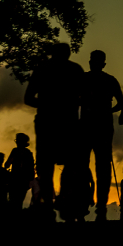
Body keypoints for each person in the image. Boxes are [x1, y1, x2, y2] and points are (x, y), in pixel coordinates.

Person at [24, 42, 85, 207]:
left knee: (46, 165)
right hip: (67, 123)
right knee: (69, 163)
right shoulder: (76, 70)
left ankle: (49, 204)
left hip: (48, 122)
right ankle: (62, 198)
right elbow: (85, 98)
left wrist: (45, 105)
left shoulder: (42, 68)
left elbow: (28, 98)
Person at [80, 50, 123, 222]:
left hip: (89, 127)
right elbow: (121, 104)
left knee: (88, 168)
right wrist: (107, 110)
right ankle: (99, 207)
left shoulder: (84, 79)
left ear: (92, 62)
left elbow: (121, 104)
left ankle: (89, 206)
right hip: (100, 127)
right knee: (101, 169)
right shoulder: (110, 80)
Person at [4, 133, 35, 211]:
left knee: (13, 203)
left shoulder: (15, 151)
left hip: (15, 181)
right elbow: (32, 169)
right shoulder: (28, 153)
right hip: (23, 182)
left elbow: (7, 165)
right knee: (18, 203)